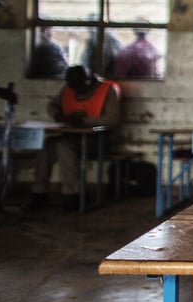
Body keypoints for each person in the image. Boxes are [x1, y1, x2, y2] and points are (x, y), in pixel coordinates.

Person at [25, 66, 121, 212]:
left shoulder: (107, 90)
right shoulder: (68, 88)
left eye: (78, 86)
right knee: (46, 146)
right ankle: (39, 191)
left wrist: (84, 121)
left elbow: (112, 119)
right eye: (71, 86)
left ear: (87, 80)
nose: (75, 90)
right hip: (72, 135)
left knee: (64, 146)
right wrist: (58, 115)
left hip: (96, 140)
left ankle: (73, 194)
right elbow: (52, 105)